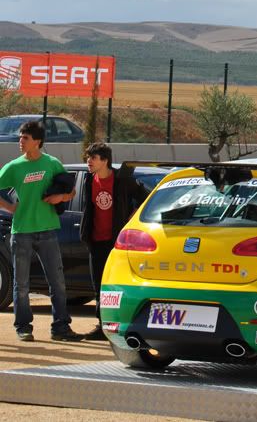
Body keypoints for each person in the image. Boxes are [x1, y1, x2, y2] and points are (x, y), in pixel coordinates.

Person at [0, 119, 82, 342]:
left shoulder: (52, 163)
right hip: (22, 232)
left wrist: (61, 197)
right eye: (20, 137)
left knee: (57, 282)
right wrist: (9, 207)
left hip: (48, 231)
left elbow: (71, 190)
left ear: (37, 142)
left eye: (25, 138)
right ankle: (23, 327)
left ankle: (61, 327)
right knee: (21, 284)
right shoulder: (14, 167)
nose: (20, 141)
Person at [80, 142, 147, 340]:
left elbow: (144, 197)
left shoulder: (122, 180)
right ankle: (101, 326)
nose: (89, 162)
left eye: (93, 158)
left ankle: (118, 326)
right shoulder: (89, 180)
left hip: (116, 242)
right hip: (95, 240)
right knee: (98, 284)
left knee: (116, 285)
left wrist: (131, 218)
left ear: (105, 160)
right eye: (88, 158)